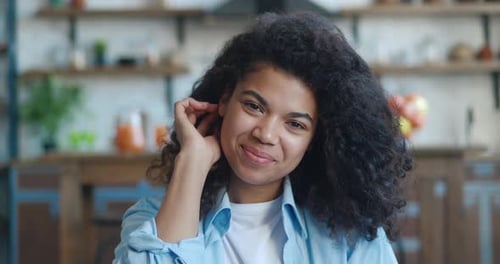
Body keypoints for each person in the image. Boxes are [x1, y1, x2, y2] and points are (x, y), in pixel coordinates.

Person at [113, 11, 412, 264]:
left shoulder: (350, 237)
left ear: (315, 140)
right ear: (226, 99)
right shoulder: (151, 222)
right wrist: (192, 161)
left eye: (295, 124)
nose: (266, 134)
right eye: (254, 106)